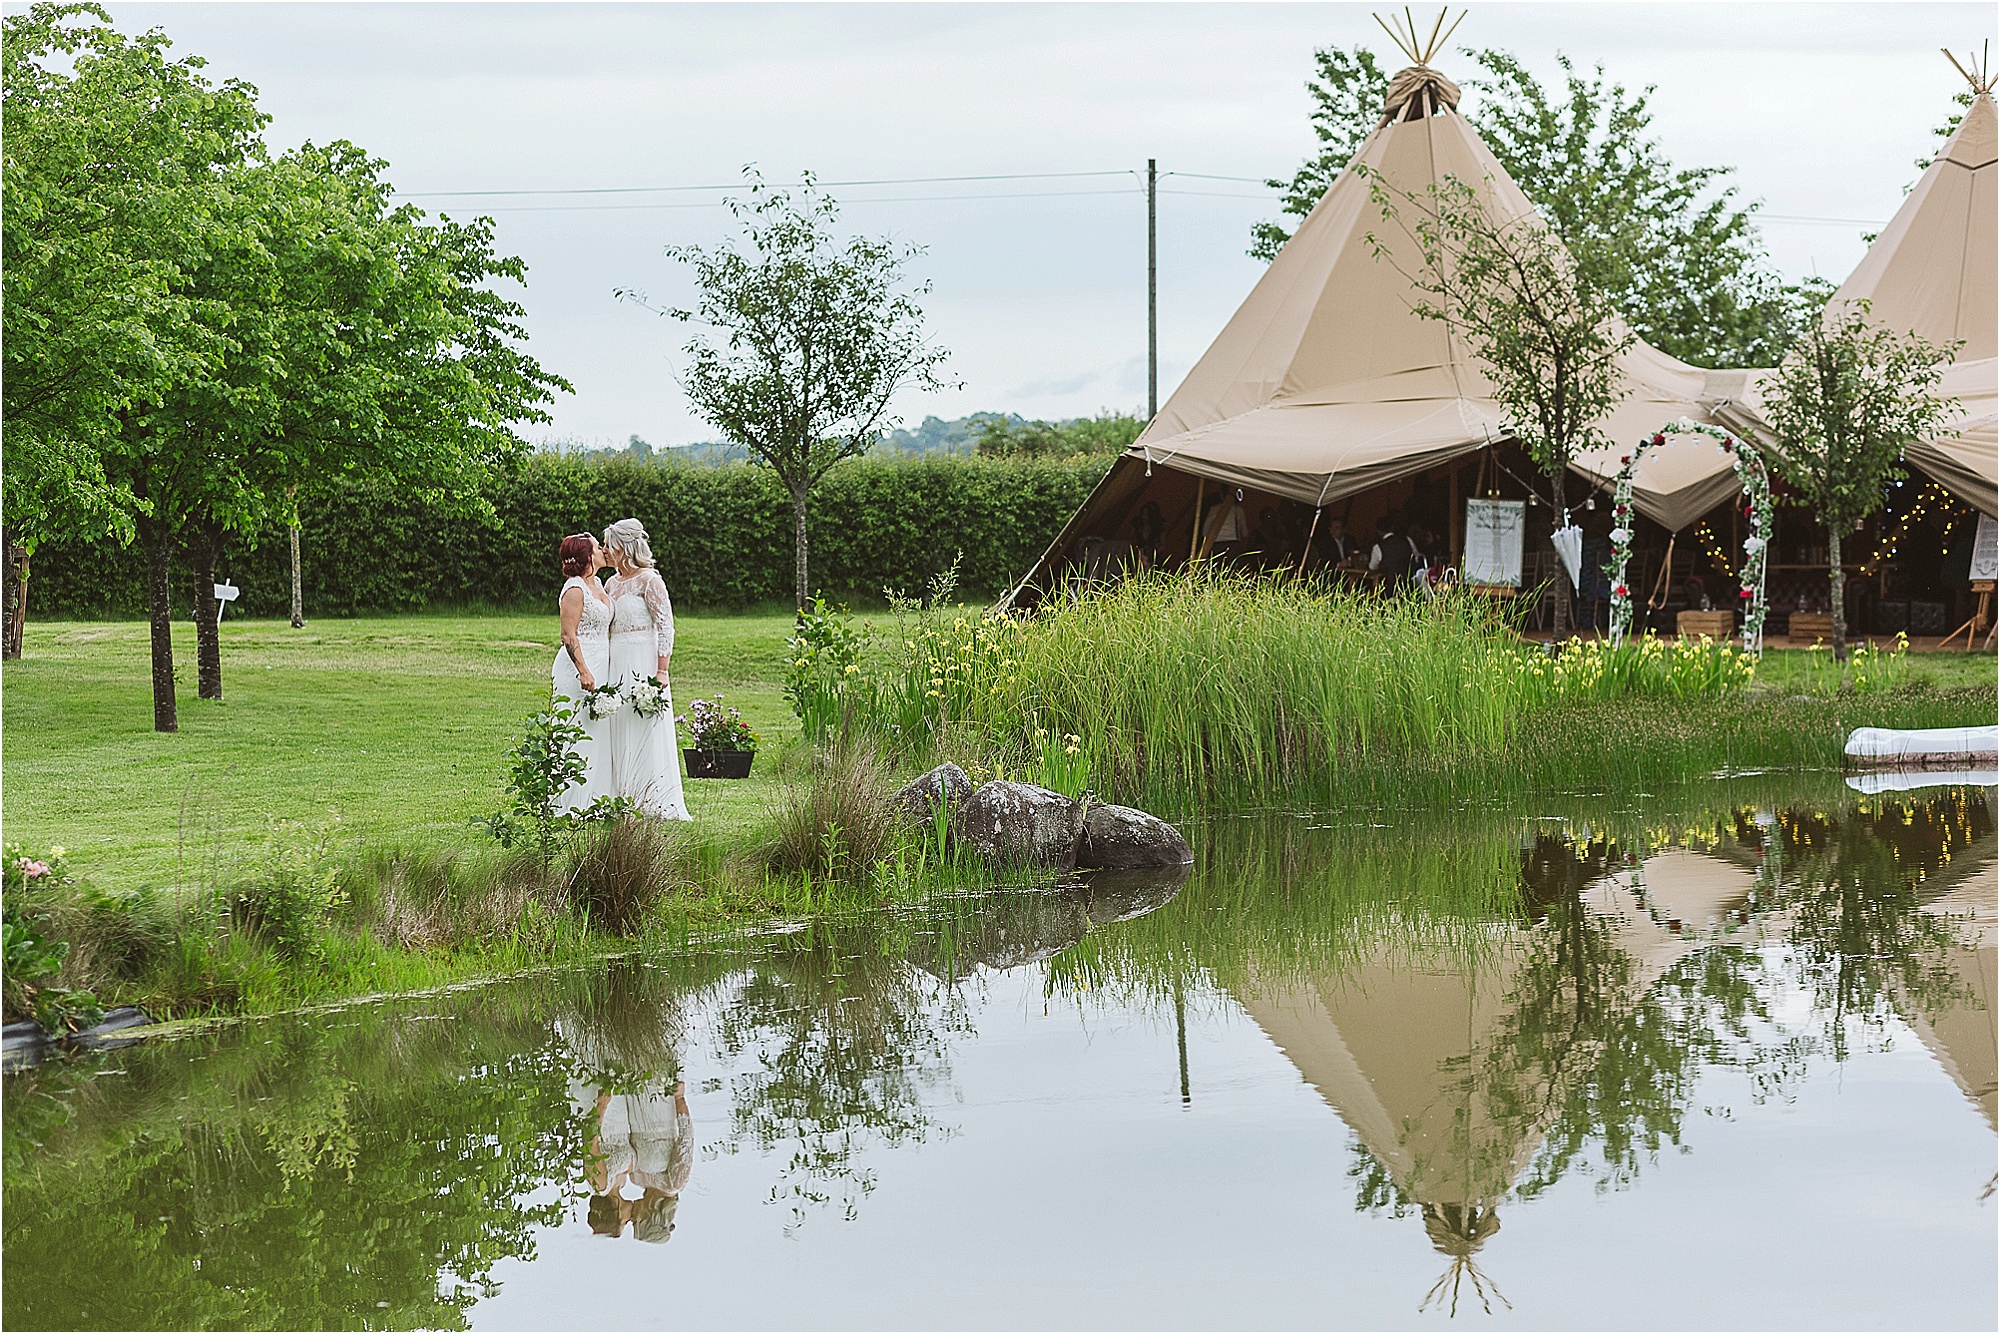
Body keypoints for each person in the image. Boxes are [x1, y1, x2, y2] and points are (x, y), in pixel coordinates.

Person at [601, 518, 691, 819]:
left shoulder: (650, 580)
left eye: (609, 545)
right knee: (620, 723)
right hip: (617, 660)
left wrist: (661, 671)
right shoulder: (610, 583)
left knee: (644, 724)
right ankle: (622, 795)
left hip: (643, 659)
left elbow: (666, 626)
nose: (605, 550)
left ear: (624, 548)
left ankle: (655, 798)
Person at [552, 534, 613, 814]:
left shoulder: (597, 584)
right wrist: (584, 671)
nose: (603, 550)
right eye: (598, 548)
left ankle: (595, 799)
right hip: (579, 668)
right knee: (576, 730)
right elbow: (568, 635)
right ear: (588, 557)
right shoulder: (575, 589)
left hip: (602, 662)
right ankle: (570, 803)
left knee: (597, 732)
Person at [1369, 511, 1424, 592]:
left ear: (1378, 531)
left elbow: (1372, 567)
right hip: (1410, 587)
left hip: (1389, 590)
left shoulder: (1378, 547)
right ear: (1392, 527)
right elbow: (1417, 557)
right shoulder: (1407, 540)